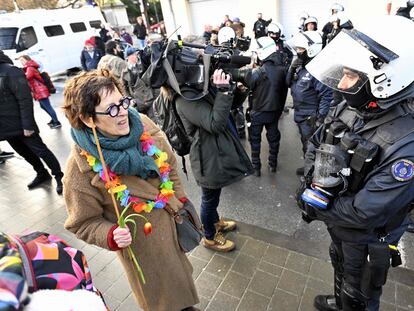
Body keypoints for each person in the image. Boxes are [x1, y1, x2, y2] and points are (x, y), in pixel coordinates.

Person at [297, 15, 414, 311]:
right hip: (338, 223)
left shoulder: (406, 143)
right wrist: (311, 184)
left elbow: (365, 212)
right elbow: (317, 141)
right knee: (340, 266)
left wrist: (316, 206)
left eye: (351, 76)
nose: (343, 82)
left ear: (385, 80)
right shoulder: (352, 105)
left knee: (359, 295)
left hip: (366, 235)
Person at [62, 69, 200, 311]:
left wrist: (178, 199)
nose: (124, 112)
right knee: (164, 301)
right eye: (112, 109)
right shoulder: (80, 170)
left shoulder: (141, 124)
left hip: (173, 228)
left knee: (182, 285)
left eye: (122, 102)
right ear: (87, 119)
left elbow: (170, 165)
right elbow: (81, 223)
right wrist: (109, 234)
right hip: (144, 250)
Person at [0, 50, 64, 194]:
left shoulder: (11, 71)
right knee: (24, 153)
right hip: (6, 128)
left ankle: (60, 177)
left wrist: (28, 125)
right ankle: (42, 173)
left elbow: (25, 100)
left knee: (41, 151)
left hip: (22, 125)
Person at [230, 36, 288, 176]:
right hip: (274, 112)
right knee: (273, 138)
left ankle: (256, 167)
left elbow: (240, 77)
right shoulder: (283, 69)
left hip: (257, 112)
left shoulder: (257, 72)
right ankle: (272, 163)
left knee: (255, 140)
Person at [286, 31, 333, 176]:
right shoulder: (302, 66)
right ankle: (308, 167)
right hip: (301, 114)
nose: (298, 52)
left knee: (312, 146)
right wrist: (292, 68)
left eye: (300, 49)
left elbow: (327, 95)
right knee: (305, 144)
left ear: (311, 49)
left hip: (310, 116)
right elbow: (288, 83)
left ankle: (311, 175)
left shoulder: (317, 69)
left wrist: (320, 118)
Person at [18, 55, 62, 129]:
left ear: (27, 59)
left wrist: (20, 75)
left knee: (48, 107)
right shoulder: (29, 67)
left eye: (22, 60)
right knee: (43, 106)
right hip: (39, 90)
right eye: (20, 61)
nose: (21, 62)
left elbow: (27, 77)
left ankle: (56, 122)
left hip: (40, 90)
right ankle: (54, 119)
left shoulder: (29, 68)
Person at [123, 46, 156, 121]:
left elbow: (152, 81)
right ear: (127, 57)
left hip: (149, 98)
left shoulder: (143, 66)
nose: (135, 57)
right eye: (133, 55)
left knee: (154, 122)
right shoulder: (125, 72)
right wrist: (131, 100)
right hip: (137, 102)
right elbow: (125, 88)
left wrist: (154, 96)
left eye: (136, 54)